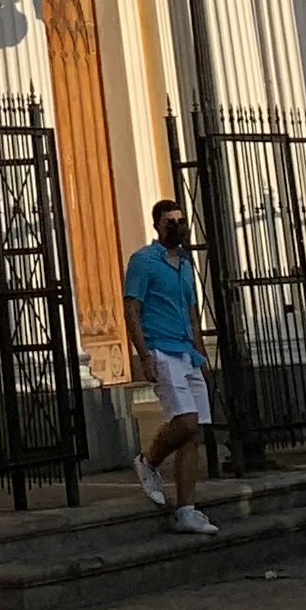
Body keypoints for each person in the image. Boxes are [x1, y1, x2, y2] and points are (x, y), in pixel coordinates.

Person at [120, 203, 217, 538]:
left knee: (194, 432)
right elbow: (132, 309)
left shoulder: (186, 265)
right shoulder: (144, 261)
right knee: (185, 420)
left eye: (180, 220)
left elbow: (192, 314)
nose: (176, 226)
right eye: (169, 222)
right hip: (161, 348)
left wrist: (202, 357)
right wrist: (144, 355)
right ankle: (148, 461)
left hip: (187, 351)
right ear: (157, 226)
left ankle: (186, 509)